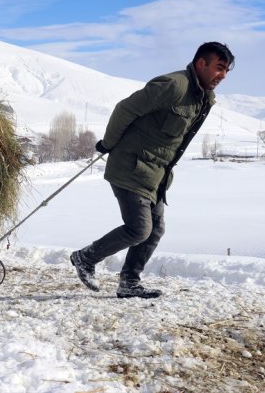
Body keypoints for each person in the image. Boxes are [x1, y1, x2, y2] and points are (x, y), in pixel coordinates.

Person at [70, 42, 235, 299]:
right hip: (131, 165)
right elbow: (125, 109)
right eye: (219, 68)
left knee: (155, 230)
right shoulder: (173, 86)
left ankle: (129, 282)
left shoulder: (201, 97)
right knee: (139, 229)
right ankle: (85, 257)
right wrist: (109, 143)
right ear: (201, 63)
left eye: (226, 71)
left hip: (156, 174)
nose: (223, 75)